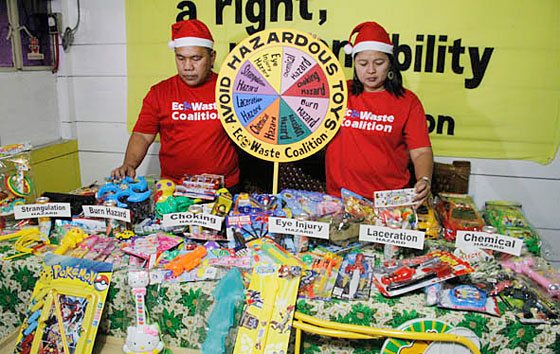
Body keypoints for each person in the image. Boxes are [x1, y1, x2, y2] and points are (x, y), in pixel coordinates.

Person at [111, 19, 240, 190]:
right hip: (173, 189)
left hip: (223, 188)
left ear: (212, 57)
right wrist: (129, 164)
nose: (188, 67)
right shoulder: (159, 93)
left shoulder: (230, 89)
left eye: (196, 58)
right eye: (181, 58)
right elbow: (142, 135)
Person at [325, 21, 433, 206]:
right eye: (363, 63)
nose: (371, 70)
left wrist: (424, 179)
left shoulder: (408, 101)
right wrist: (309, 52)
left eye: (379, 62)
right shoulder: (338, 91)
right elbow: (300, 91)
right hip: (340, 200)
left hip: (389, 202)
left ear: (390, 63)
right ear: (355, 64)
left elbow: (421, 151)